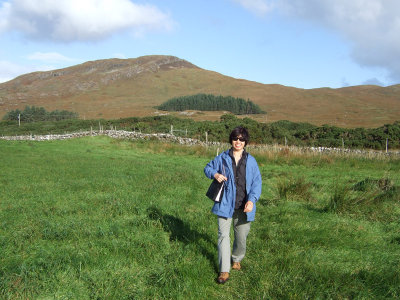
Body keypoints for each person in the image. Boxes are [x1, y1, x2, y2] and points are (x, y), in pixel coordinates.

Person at [204, 126, 262, 284]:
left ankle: (237, 258)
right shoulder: (222, 157)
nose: (238, 141)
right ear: (231, 140)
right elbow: (207, 168)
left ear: (245, 142)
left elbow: (257, 183)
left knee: (241, 237)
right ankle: (224, 270)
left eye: (242, 139)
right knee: (223, 236)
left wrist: (252, 200)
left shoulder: (251, 161)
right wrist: (215, 174)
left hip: (244, 205)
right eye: (236, 138)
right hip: (224, 204)